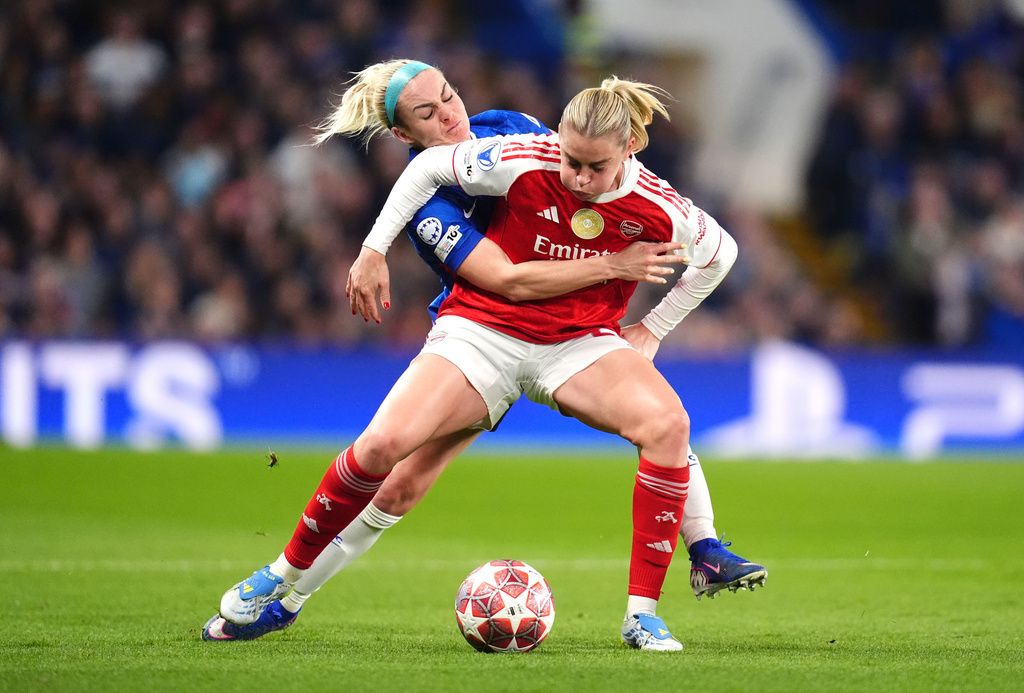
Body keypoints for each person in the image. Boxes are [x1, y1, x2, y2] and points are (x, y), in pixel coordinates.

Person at [204, 62, 758, 651]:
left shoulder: (511, 135)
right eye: (427, 114)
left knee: (666, 422)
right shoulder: (433, 206)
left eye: (448, 96)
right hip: (485, 331)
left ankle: (687, 562)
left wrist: (651, 327)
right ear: (404, 134)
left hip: (577, 339)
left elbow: (701, 240)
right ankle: (287, 589)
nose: (450, 115)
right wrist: (373, 251)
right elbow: (510, 280)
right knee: (391, 473)